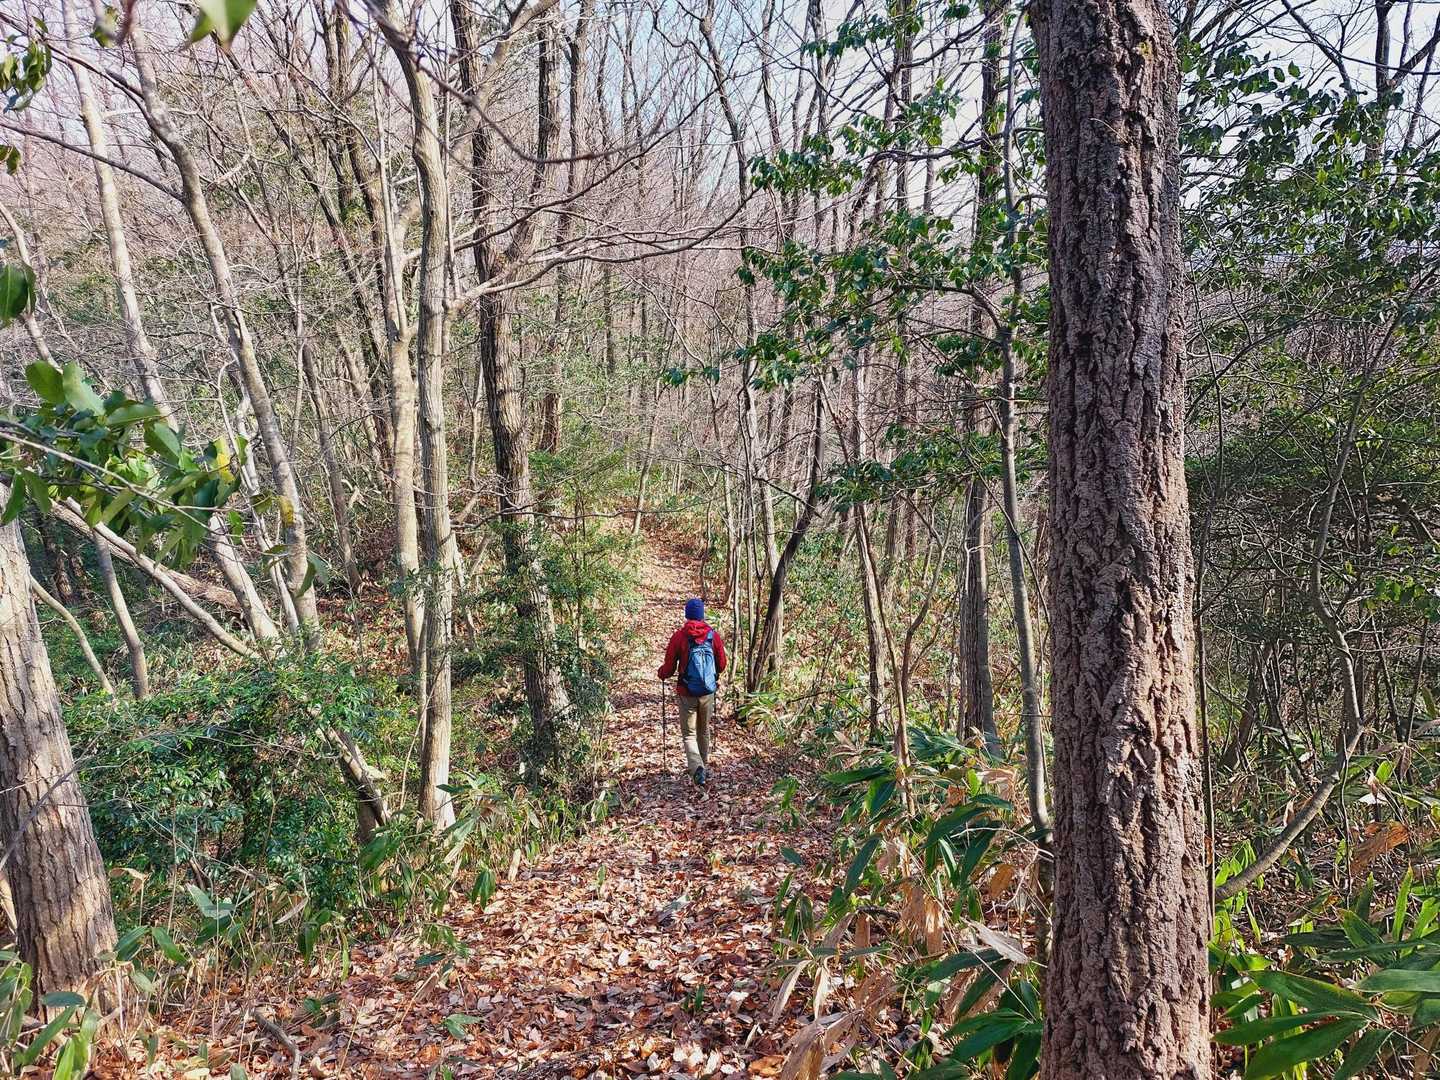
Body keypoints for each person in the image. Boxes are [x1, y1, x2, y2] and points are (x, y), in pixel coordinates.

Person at [657, 598, 727, 786]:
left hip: (686, 692)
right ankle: (702, 767)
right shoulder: (713, 636)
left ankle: (697, 769)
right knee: (703, 731)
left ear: (687, 615)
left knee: (689, 734)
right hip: (707, 693)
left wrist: (661, 673)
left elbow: (669, 668)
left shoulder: (679, 637)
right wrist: (710, 676)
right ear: (702, 615)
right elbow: (722, 665)